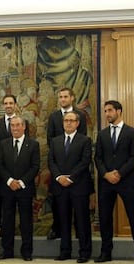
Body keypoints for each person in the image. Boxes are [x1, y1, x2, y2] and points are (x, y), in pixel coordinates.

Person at [94, 100, 134, 264]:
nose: (107, 114)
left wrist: (119, 173)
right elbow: (98, 158)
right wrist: (106, 174)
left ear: (119, 111)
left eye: (110, 110)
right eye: (105, 111)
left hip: (126, 181)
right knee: (105, 218)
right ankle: (105, 252)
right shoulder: (102, 134)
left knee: (133, 217)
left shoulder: (131, 132)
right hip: (106, 182)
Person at [48, 111, 92, 263]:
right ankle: (65, 251)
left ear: (77, 123)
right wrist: (59, 177)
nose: (68, 123)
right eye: (66, 120)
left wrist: (71, 178)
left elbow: (85, 162)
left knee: (82, 220)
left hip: (79, 186)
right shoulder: (55, 141)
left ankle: (84, 252)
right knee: (63, 220)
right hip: (60, 186)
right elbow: (51, 162)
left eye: (71, 121)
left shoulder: (85, 140)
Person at [46, 87, 87, 240]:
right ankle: (57, 229)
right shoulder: (54, 117)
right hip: (58, 166)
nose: (62, 99)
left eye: (65, 97)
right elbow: (50, 139)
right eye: (60, 97)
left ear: (72, 98)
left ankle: (77, 231)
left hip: (76, 169)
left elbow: (82, 141)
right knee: (58, 203)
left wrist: (72, 172)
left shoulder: (80, 115)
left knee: (78, 206)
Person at [0, 116, 40, 261]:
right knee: (7, 221)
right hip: (7, 188)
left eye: (17, 125)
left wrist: (21, 182)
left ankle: (26, 252)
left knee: (26, 221)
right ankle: (7, 251)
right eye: (12, 126)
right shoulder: (3, 144)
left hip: (24, 189)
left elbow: (35, 167)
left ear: (24, 127)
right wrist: (10, 181)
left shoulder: (33, 144)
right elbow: (0, 166)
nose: (14, 128)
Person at [0, 95, 29, 236]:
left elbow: (26, 146)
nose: (8, 105)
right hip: (1, 171)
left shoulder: (23, 122)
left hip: (20, 173)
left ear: (15, 105)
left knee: (20, 206)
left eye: (10, 103)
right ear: (2, 106)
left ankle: (15, 231)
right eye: (5, 103)